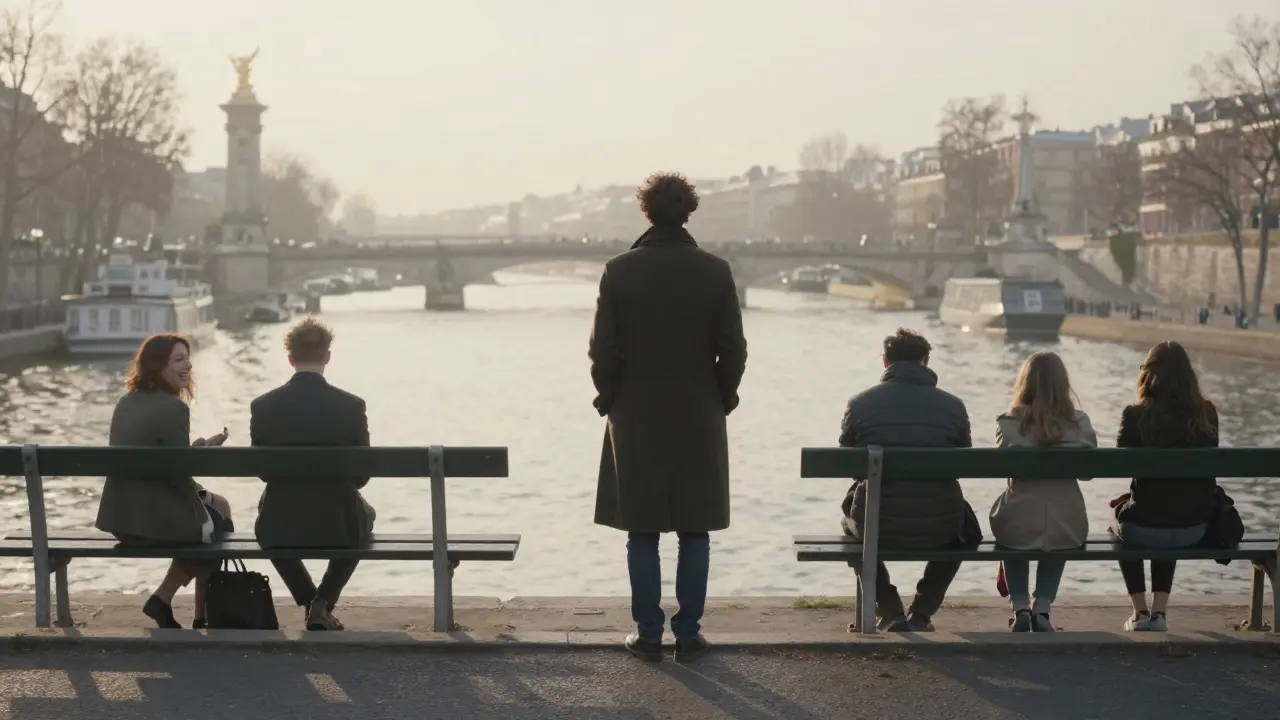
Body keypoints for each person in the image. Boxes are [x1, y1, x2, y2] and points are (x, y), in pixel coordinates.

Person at [590, 171, 748, 662]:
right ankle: (689, 630)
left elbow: (602, 351)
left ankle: (648, 632)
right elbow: (734, 351)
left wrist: (610, 396)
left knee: (642, 528)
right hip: (698, 410)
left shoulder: (619, 270)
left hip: (635, 413)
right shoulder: (716, 270)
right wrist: (721, 397)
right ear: (689, 212)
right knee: (694, 528)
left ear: (645, 213)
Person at [839, 328, 978, 632]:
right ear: (926, 362)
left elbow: (850, 465)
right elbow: (961, 460)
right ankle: (923, 612)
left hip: (878, 522)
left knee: (849, 528)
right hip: (940, 524)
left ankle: (890, 609)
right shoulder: (954, 407)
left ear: (885, 362)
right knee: (967, 530)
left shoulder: (860, 404)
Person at [95, 333, 232, 629]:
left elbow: (162, 461)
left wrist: (195, 453)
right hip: (151, 519)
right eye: (178, 360)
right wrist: (200, 489)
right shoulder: (174, 408)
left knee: (219, 505)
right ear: (157, 366)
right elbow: (178, 478)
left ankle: (184, 608)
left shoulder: (126, 401)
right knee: (218, 527)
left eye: (188, 358)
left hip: (122, 517)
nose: (188, 366)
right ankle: (191, 611)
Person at [250, 318, 374, 631]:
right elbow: (361, 476)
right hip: (338, 520)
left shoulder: (263, 406)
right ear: (327, 357)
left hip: (281, 521)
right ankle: (322, 602)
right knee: (364, 518)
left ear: (290, 359)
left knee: (268, 524)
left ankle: (310, 600)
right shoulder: (351, 406)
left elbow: (264, 473)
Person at [1112, 341, 1219, 632]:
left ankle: (1139, 612)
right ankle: (1159, 614)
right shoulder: (1207, 414)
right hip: (1195, 526)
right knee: (1173, 507)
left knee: (1122, 524)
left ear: (1148, 375)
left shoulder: (1135, 415)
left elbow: (1120, 464)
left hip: (1145, 524)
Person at [989, 351, 1097, 632]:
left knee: (1013, 528)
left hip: (1018, 524)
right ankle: (1043, 610)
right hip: (1068, 525)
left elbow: (1002, 469)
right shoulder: (1080, 423)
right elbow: (1087, 473)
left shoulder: (1009, 423)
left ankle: (1021, 607)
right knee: (1057, 536)